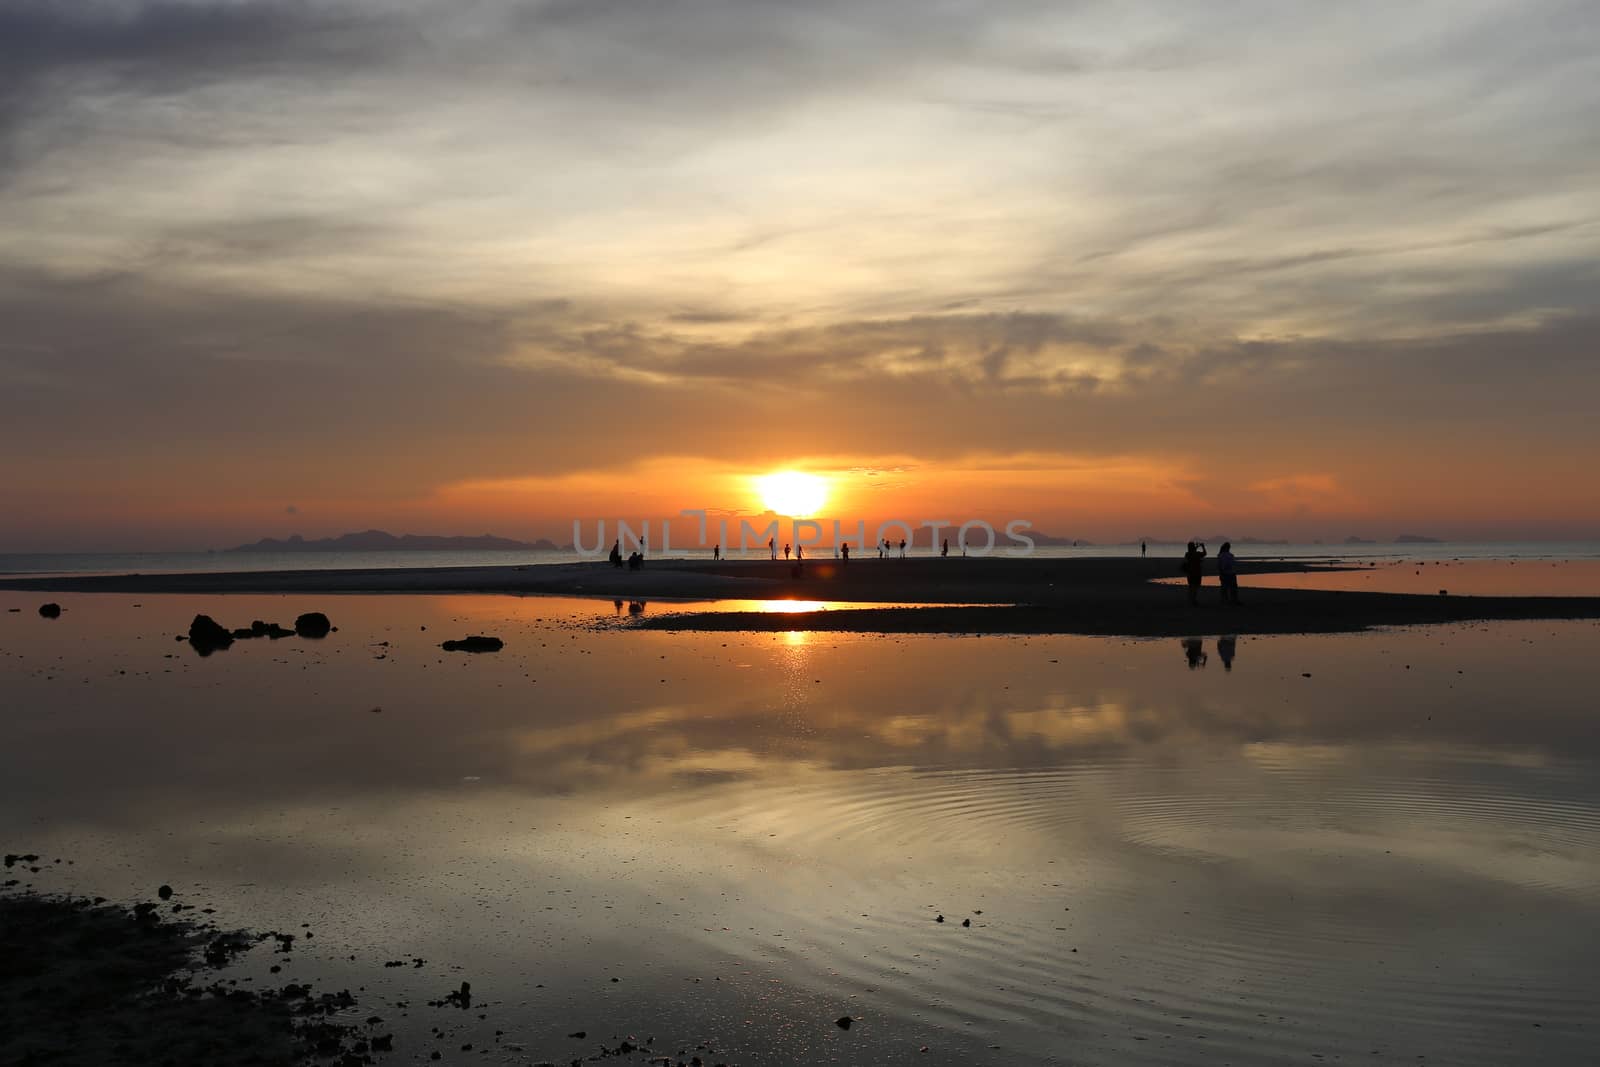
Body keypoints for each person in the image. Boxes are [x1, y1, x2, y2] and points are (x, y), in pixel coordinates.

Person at [1182, 541, 1207, 606]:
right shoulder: (1197, 554)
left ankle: (1190, 600)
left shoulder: (1187, 554)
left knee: (1191, 587)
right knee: (1195, 587)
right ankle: (1193, 600)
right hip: (1197, 572)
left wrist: (1196, 547)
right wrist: (1202, 546)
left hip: (1190, 573)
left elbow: (1191, 552)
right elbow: (1204, 553)